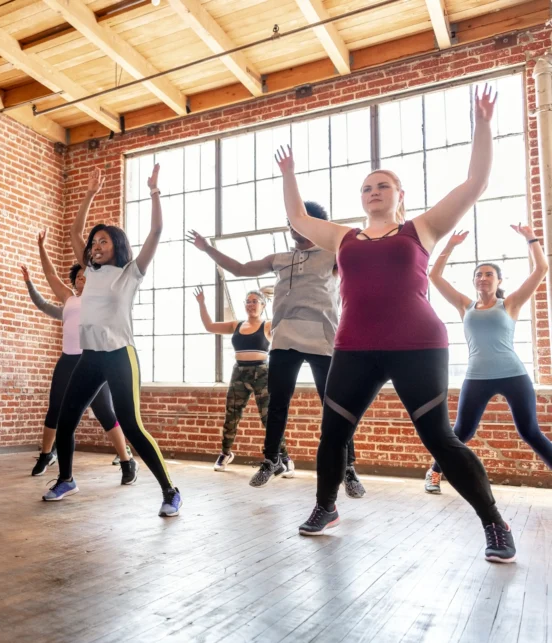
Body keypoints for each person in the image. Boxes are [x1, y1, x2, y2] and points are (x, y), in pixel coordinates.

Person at [276, 84, 516, 563]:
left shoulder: (419, 229)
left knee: (441, 440)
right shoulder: (343, 237)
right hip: (355, 346)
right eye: (366, 187)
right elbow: (298, 217)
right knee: (332, 434)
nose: (373, 191)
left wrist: (483, 125)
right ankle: (326, 506)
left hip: (418, 345)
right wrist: (290, 174)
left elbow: (475, 184)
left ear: (399, 194)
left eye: (382, 185)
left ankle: (494, 522)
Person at [188, 203, 364, 495]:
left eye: (299, 223)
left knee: (335, 406)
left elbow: (364, 257)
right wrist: (208, 248)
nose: (293, 229)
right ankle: (271, 459)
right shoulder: (280, 259)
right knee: (277, 404)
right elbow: (240, 269)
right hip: (284, 341)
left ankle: (348, 468)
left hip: (323, 341)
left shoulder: (335, 256)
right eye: (290, 223)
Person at [43, 165, 182, 517]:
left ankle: (170, 490)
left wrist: (153, 192)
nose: (95, 245)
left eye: (104, 240)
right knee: (66, 417)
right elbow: (75, 231)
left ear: (117, 246)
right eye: (94, 242)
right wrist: (89, 192)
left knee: (131, 424)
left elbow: (157, 230)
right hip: (89, 358)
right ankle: (66, 479)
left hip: (120, 355)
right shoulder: (89, 271)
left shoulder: (130, 273)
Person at [424, 224, 551, 494]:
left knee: (530, 431)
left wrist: (531, 238)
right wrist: (450, 247)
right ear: (474, 281)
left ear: (499, 281)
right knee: (461, 432)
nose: (483, 278)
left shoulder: (511, 304)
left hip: (513, 374)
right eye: (479, 275)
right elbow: (433, 275)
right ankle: (434, 472)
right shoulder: (464, 305)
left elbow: (541, 269)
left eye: (489, 274)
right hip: (477, 377)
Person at [21, 231, 137, 484]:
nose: (84, 278)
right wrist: (41, 247)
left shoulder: (102, 295)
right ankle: (46, 455)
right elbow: (50, 276)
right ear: (76, 281)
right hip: (68, 361)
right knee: (55, 410)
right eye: (80, 276)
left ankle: (127, 461)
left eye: (87, 274)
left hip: (94, 360)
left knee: (106, 413)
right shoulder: (69, 299)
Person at [192, 286, 291, 471]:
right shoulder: (236, 325)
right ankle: (225, 453)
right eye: (248, 301)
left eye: (255, 301)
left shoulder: (268, 325)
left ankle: (284, 458)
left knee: (269, 418)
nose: (251, 304)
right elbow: (209, 326)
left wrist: (281, 292)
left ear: (263, 305)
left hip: (262, 373)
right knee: (232, 414)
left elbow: (285, 316)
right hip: (239, 373)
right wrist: (202, 303)